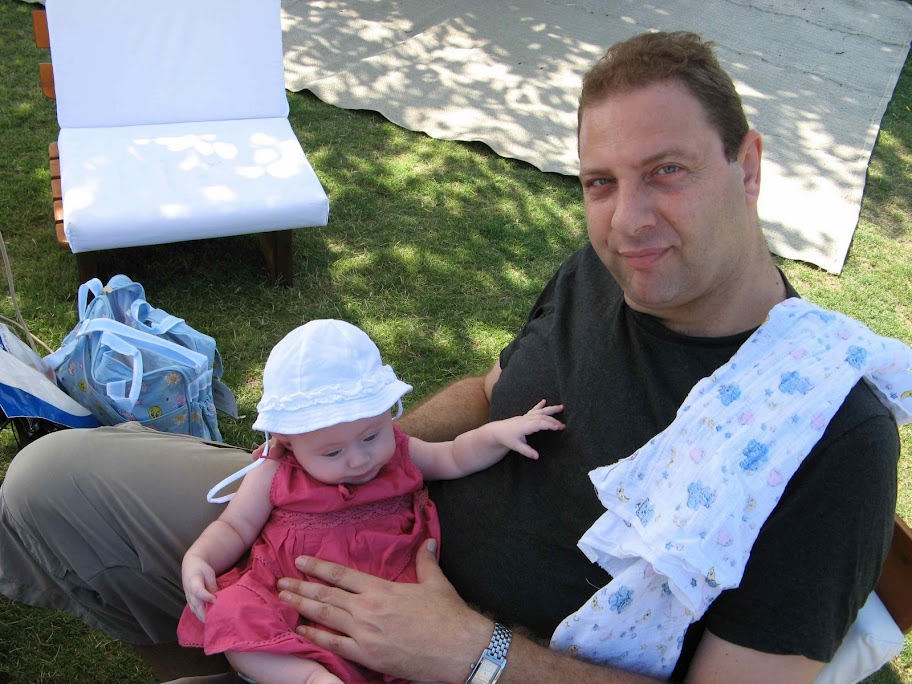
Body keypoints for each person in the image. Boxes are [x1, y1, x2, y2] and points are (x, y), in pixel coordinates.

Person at [0, 30, 902, 684]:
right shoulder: (600, 274)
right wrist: (350, 460)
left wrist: (475, 653)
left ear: (747, 166)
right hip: (351, 516)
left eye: (667, 170)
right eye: (601, 182)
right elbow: (487, 390)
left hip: (465, 657)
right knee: (55, 479)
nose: (627, 221)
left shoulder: (828, 435)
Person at [175, 319, 564, 684]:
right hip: (290, 597)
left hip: (391, 602)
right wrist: (200, 558)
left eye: (371, 436)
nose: (359, 459)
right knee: (236, 626)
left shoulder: (400, 453)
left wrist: (497, 435)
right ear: (286, 440)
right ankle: (309, 677)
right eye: (333, 452)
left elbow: (454, 456)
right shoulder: (275, 471)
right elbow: (235, 525)